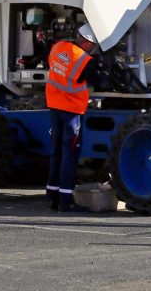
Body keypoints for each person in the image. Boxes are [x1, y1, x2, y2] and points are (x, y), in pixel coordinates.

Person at [45, 23, 101, 212]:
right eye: (92, 46)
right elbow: (97, 81)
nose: (92, 49)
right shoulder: (84, 60)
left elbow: (55, 67)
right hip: (71, 112)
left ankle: (52, 197)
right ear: (86, 43)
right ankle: (65, 200)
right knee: (69, 154)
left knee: (56, 153)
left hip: (54, 106)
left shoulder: (58, 47)